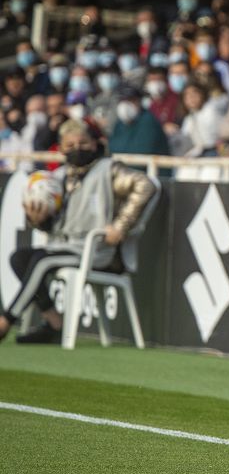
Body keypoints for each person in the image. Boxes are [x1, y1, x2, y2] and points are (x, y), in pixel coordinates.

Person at [0, 120, 156, 344]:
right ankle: (54, 322)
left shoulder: (108, 170)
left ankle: (6, 321)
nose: (77, 149)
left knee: (41, 261)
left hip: (96, 250)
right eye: (70, 145)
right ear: (61, 148)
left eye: (83, 142)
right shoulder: (62, 176)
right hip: (65, 246)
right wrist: (38, 221)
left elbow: (145, 186)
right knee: (20, 258)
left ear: (94, 144)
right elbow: (57, 224)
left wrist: (121, 226)